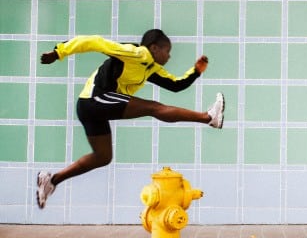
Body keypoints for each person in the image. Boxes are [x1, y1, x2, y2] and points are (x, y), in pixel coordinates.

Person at [36, 29, 224, 209]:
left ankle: (52, 181)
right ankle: (208, 117)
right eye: (167, 51)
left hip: (93, 107)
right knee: (154, 108)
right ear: (154, 48)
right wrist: (58, 52)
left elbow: (175, 85)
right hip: (94, 99)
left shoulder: (151, 68)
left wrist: (196, 71)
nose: (169, 56)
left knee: (103, 157)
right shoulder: (135, 53)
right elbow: (94, 41)